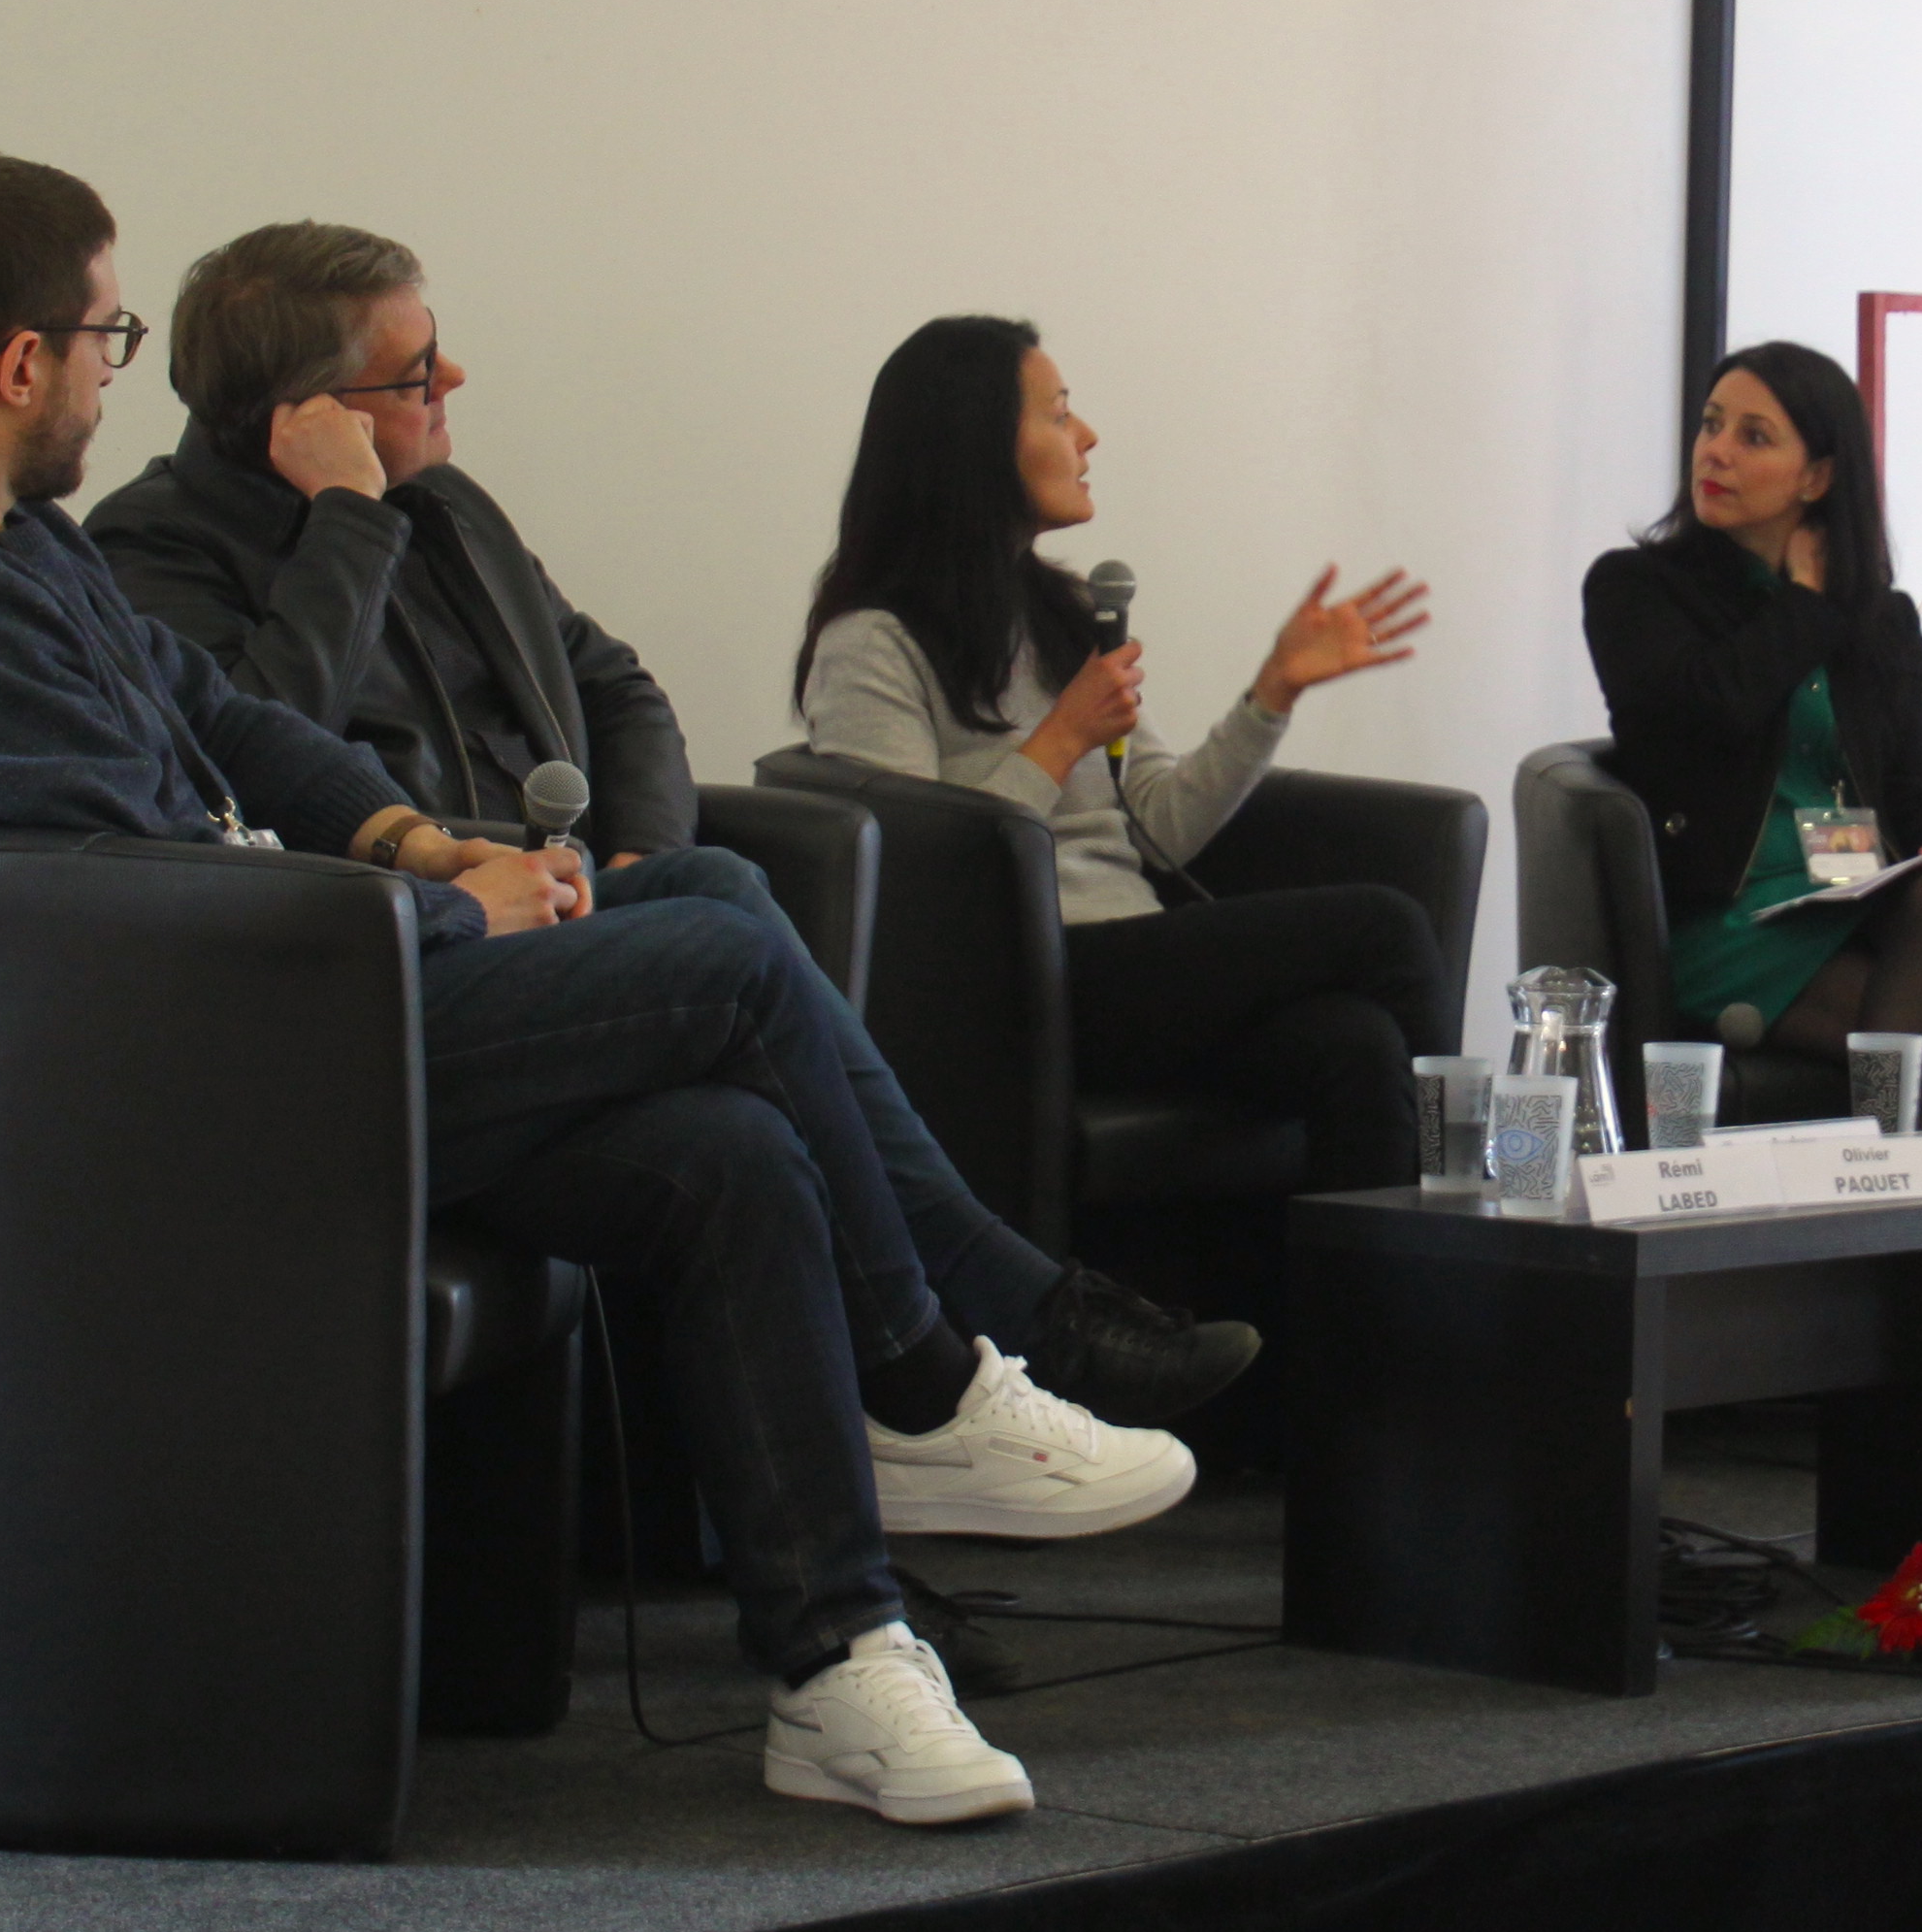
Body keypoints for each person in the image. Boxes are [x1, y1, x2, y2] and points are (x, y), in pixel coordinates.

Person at [0, 153, 1199, 1830]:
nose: (103, 369)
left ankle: (838, 1653)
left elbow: (227, 726)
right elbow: (164, 905)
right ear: (16, 362)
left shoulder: (7, 545)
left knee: (725, 1146)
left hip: (268, 1016)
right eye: (98, 334)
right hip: (184, 1088)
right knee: (725, 938)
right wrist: (466, 923)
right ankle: (948, 1373)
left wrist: (424, 847)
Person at [80, 222, 1254, 1440]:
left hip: (572, 904)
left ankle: (868, 1569)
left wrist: (639, 848)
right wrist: (348, 523)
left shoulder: (454, 510)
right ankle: (999, 1327)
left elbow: (621, 687)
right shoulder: (156, 544)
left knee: (730, 1089)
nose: (456, 383)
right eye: (420, 372)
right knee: (727, 902)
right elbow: (252, 761)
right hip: (406, 951)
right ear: (311, 414)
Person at [794, 315, 1447, 1219]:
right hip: (1023, 982)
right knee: (1383, 926)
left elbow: (1161, 824)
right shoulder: (872, 642)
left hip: (1130, 964)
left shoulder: (1058, 612)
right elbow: (916, 875)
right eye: (1059, 415)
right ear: (977, 443)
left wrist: (1271, 694)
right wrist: (1056, 741)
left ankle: (1362, 1345)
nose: (1087, 437)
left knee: (1357, 1045)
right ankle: (1475, 1229)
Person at [1580, 344, 1922, 1131]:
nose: (1715, 450)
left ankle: (1897, 1217)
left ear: (1817, 477)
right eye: (1712, 425)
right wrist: (1807, 606)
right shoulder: (1634, 590)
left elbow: (1918, 778)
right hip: (1729, 913)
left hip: (1851, 898)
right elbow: (1707, 712)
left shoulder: (1881, 619)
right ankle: (1917, 1232)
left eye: (1754, 436)